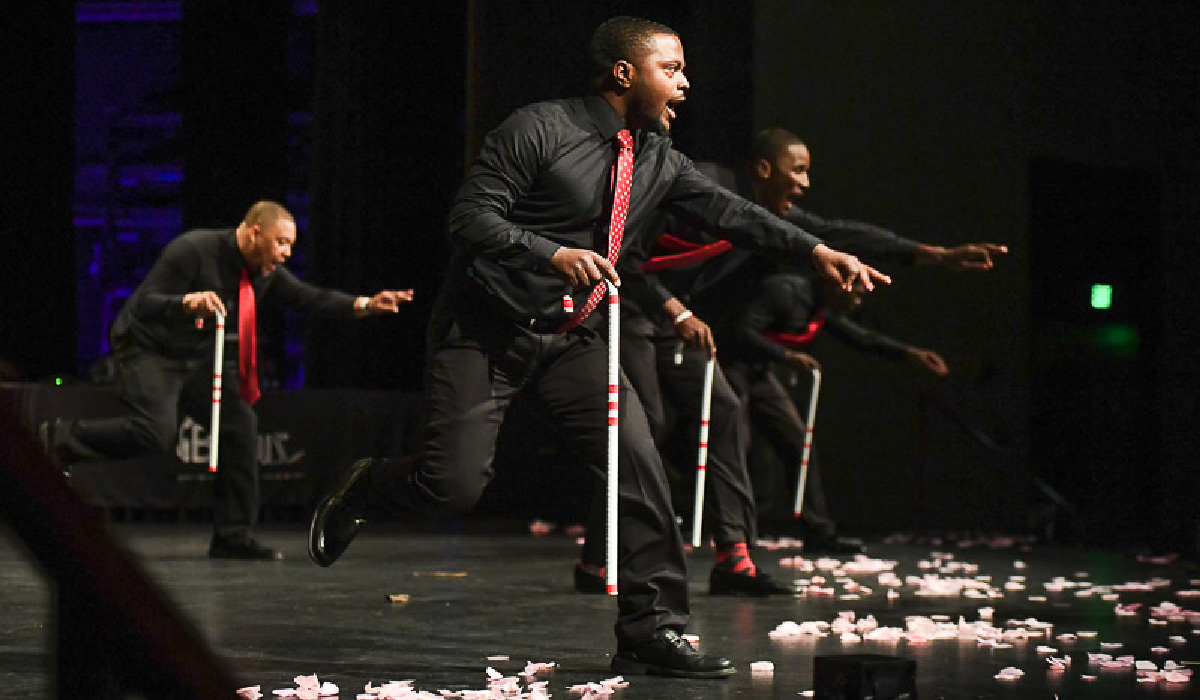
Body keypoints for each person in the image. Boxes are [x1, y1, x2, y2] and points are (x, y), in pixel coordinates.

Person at [307, 16, 888, 679]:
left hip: (575, 339)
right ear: (624, 73)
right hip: (486, 331)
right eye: (670, 69)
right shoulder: (538, 129)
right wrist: (551, 251)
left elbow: (740, 215)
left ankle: (652, 628)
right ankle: (365, 488)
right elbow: (469, 218)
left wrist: (817, 250)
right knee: (454, 484)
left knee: (637, 469)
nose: (685, 84)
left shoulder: (660, 162)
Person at [42, 201, 413, 560]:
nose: (286, 253)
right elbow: (144, 303)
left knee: (239, 426)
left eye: (290, 245)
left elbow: (308, 297)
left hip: (197, 357)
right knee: (154, 433)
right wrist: (186, 302)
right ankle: (59, 438)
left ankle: (232, 537)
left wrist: (365, 304)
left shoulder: (264, 273)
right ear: (255, 233)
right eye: (281, 242)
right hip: (149, 349)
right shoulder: (194, 249)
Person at [703, 265, 949, 543]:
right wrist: (786, 356)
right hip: (729, 366)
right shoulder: (784, 290)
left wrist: (909, 354)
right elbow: (740, 330)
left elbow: (861, 337)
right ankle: (733, 533)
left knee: (798, 441)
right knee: (736, 442)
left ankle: (818, 530)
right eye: (856, 293)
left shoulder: (819, 307)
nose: (858, 301)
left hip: (759, 372)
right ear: (836, 284)